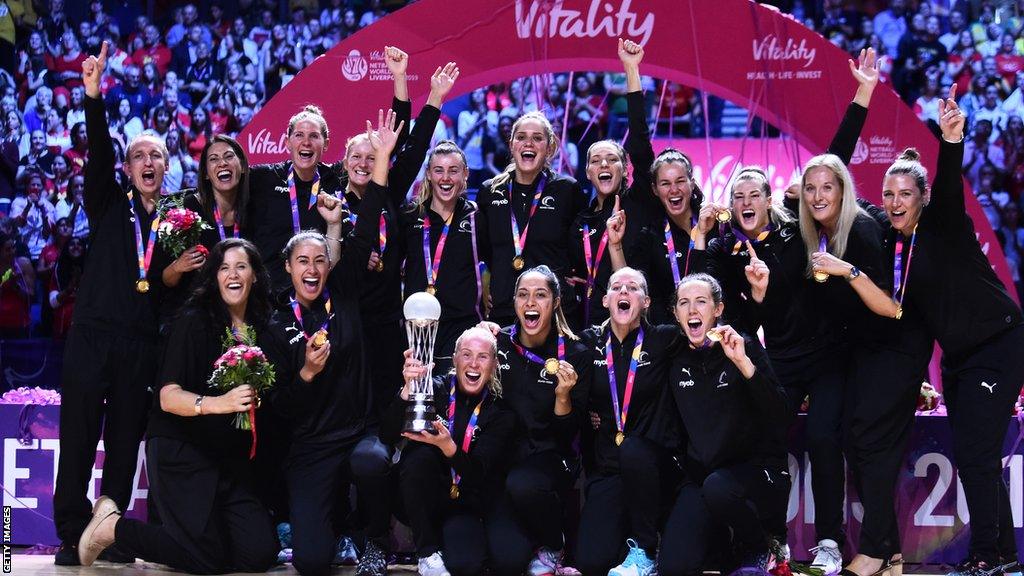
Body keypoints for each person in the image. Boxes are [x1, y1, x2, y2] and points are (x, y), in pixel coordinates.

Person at [818, 89, 1024, 576]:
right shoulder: (891, 240)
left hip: (997, 344)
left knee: (975, 453)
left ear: (923, 199)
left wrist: (950, 141)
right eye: (888, 194)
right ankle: (1004, 556)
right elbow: (840, 191)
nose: (893, 202)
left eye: (905, 195)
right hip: (959, 358)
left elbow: (949, 183)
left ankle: (985, 557)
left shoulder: (943, 222)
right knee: (979, 452)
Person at [76, 238, 279, 574]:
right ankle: (113, 529)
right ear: (213, 276)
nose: (233, 274)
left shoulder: (261, 328)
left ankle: (195, 544)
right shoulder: (194, 321)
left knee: (260, 552)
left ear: (255, 275)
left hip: (227, 460)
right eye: (224, 267)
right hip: (181, 450)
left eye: (241, 266)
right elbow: (167, 398)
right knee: (208, 561)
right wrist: (220, 403)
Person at [259, 111, 401, 576]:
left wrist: (381, 158)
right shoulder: (279, 323)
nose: (313, 269)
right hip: (312, 448)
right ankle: (329, 530)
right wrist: (305, 374)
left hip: (358, 435)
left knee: (374, 463)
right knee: (312, 562)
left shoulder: (346, 293)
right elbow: (279, 404)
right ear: (289, 268)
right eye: (303, 261)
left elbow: (371, 215)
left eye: (320, 260)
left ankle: (376, 538)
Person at [52, 41, 165, 566]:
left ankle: (110, 534)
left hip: (140, 344)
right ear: (127, 168)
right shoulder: (107, 202)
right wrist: (92, 96)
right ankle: (69, 531)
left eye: (156, 156)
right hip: (93, 335)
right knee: (77, 435)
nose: (147, 162)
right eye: (138, 155)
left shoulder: (176, 222)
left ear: (167, 168)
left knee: (123, 445)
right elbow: (98, 157)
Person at [800, 129, 932, 573]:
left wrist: (844, 270)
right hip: (868, 350)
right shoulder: (829, 227)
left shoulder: (859, 228)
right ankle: (890, 551)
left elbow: (889, 306)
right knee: (861, 446)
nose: (819, 195)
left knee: (871, 445)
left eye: (828, 186)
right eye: (811, 188)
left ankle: (874, 550)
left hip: (894, 346)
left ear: (844, 189)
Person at [658, 273, 790, 576]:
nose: (692, 310)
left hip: (754, 472)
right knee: (673, 567)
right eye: (684, 303)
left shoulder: (742, 346)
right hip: (703, 478)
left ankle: (760, 545)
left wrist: (744, 364)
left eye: (701, 302)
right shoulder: (673, 355)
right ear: (676, 314)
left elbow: (781, 415)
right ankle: (723, 547)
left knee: (719, 488)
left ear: (718, 309)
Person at [575, 267, 681, 576]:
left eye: (633, 288)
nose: (624, 292)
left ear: (646, 301)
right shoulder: (588, 342)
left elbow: (700, 326)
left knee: (635, 449)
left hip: (654, 465)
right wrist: (498, 331)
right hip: (609, 468)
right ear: (605, 299)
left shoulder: (664, 339)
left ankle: (646, 548)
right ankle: (629, 545)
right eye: (617, 287)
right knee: (591, 562)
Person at [486, 265, 592, 576]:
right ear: (514, 301)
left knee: (524, 484)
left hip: (551, 458)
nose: (531, 302)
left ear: (556, 302)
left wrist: (563, 396)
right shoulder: (498, 343)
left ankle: (554, 541)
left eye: (541, 295)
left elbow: (568, 434)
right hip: (504, 463)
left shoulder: (576, 353)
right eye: (523, 295)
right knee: (508, 562)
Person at [384, 327, 516, 576]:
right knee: (419, 456)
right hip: (421, 499)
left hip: (465, 503)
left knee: (467, 565)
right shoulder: (432, 389)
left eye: (482, 356)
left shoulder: (501, 413)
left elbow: (478, 473)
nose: (474, 363)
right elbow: (387, 435)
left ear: (495, 363)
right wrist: (406, 390)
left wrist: (448, 447)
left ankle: (444, 543)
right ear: (454, 359)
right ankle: (426, 552)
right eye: (466, 354)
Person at [568, 39, 660, 329]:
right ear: (587, 172)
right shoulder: (580, 220)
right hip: (589, 324)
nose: (604, 165)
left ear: (626, 168)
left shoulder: (639, 201)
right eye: (596, 161)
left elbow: (641, 144)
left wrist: (631, 70)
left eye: (612, 159)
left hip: (636, 323)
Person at [478, 113, 588, 327]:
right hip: (504, 308)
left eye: (537, 138)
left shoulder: (567, 190)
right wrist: (486, 282)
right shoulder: (489, 191)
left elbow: (582, 244)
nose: (528, 143)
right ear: (511, 145)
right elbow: (482, 251)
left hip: (555, 313)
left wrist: (578, 275)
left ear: (549, 147)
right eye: (521, 137)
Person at [150, 135, 252, 329]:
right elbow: (163, 279)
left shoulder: (255, 211)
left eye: (229, 157)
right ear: (205, 173)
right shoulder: (185, 212)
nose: (222, 163)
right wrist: (179, 266)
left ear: (243, 166)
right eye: (213, 159)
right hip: (194, 320)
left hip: (241, 318)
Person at [0, 231, 34, 338]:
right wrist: (6, 285)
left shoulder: (24, 264)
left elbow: (31, 296)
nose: (12, 252)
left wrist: (16, 287)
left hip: (20, 322)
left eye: (13, 247)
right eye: (7, 249)